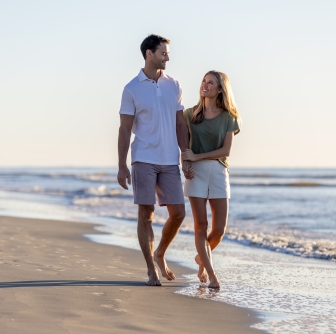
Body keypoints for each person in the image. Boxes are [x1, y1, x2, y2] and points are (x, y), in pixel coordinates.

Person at [117, 34, 194, 286]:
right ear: (149, 54)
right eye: (163, 53)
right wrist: (121, 165)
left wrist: (185, 154)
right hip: (143, 159)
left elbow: (180, 123)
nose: (167, 57)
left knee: (179, 213)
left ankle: (159, 252)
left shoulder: (174, 85)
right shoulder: (132, 88)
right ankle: (151, 268)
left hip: (170, 160)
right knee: (145, 214)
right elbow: (125, 130)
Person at [182, 70, 241, 289]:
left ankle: (201, 258)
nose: (205, 85)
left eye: (211, 83)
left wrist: (198, 155)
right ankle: (211, 273)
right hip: (195, 173)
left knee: (218, 230)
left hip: (218, 171)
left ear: (220, 90)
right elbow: (183, 144)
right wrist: (186, 161)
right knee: (200, 226)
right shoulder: (189, 115)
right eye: (204, 81)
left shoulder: (229, 117)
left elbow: (225, 151)